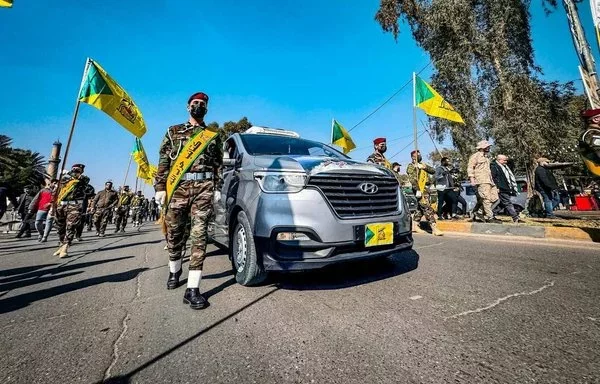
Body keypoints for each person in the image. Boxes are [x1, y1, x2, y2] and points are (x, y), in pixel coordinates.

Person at [154, 91, 222, 310]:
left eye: (202, 104)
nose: (198, 106)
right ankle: (175, 270)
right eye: (195, 103)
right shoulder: (173, 132)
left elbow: (218, 164)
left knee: (199, 234)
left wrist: (217, 187)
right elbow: (164, 160)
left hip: (204, 188)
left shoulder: (212, 135)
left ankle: (192, 289)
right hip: (178, 187)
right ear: (187, 106)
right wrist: (160, 187)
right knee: (174, 234)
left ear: (207, 109)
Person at [53, 163, 91, 258]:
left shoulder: (83, 179)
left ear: (81, 171)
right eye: (73, 169)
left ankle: (65, 247)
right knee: (59, 226)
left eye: (77, 170)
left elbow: (81, 179)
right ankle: (62, 244)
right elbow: (57, 191)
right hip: (61, 205)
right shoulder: (65, 180)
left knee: (71, 226)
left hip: (74, 205)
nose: (75, 171)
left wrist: (69, 173)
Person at [406, 150, 443, 236]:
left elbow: (433, 171)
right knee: (427, 207)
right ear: (412, 156)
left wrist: (423, 167)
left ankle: (415, 226)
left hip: (426, 189)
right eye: (417, 154)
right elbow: (412, 179)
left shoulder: (422, 164)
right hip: (419, 189)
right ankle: (434, 227)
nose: (419, 155)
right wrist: (417, 189)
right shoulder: (411, 166)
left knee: (420, 209)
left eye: (419, 154)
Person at [467, 140, 500, 223]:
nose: (489, 148)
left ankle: (479, 212)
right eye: (487, 146)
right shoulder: (475, 156)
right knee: (486, 199)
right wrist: (472, 179)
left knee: (495, 198)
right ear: (482, 147)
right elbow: (470, 167)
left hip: (489, 180)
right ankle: (490, 217)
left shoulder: (486, 157)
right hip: (481, 180)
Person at [490, 155, 522, 223]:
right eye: (504, 160)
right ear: (499, 160)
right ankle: (515, 217)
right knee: (507, 202)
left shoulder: (505, 167)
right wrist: (497, 187)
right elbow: (493, 178)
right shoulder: (494, 166)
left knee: (501, 204)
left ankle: (491, 214)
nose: (506, 162)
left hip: (506, 187)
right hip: (501, 188)